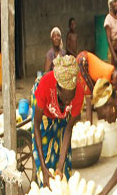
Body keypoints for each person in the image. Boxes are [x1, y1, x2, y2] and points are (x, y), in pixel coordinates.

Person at [32, 55, 84, 187]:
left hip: (61, 118)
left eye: (70, 99)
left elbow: (68, 130)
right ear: (57, 88)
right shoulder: (45, 85)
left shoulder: (78, 93)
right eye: (65, 98)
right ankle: (41, 177)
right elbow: (36, 126)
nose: (67, 102)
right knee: (45, 155)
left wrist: (60, 167)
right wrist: (44, 168)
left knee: (64, 164)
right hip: (45, 115)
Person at [76, 52, 117, 121]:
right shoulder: (106, 78)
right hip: (83, 61)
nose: (115, 82)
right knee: (89, 97)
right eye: (116, 80)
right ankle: (89, 124)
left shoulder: (113, 71)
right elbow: (97, 98)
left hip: (86, 57)